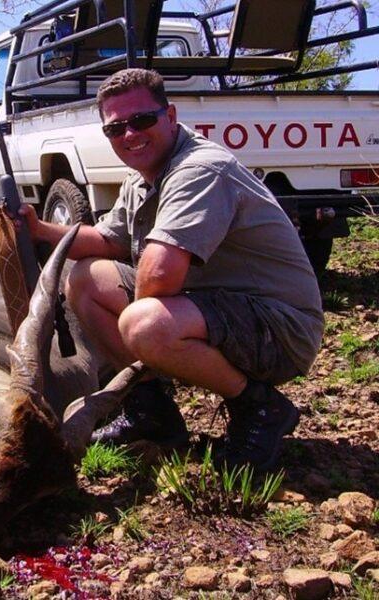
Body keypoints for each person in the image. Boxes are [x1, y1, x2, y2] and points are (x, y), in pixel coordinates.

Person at [19, 68, 323, 472]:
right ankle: (151, 410)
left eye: (142, 120)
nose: (130, 134)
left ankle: (259, 408)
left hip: (281, 329)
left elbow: (160, 278)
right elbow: (107, 240)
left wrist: (147, 341)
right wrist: (38, 230)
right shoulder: (142, 179)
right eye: (116, 128)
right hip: (219, 307)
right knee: (86, 280)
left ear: (171, 116)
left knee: (145, 324)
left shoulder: (200, 169)